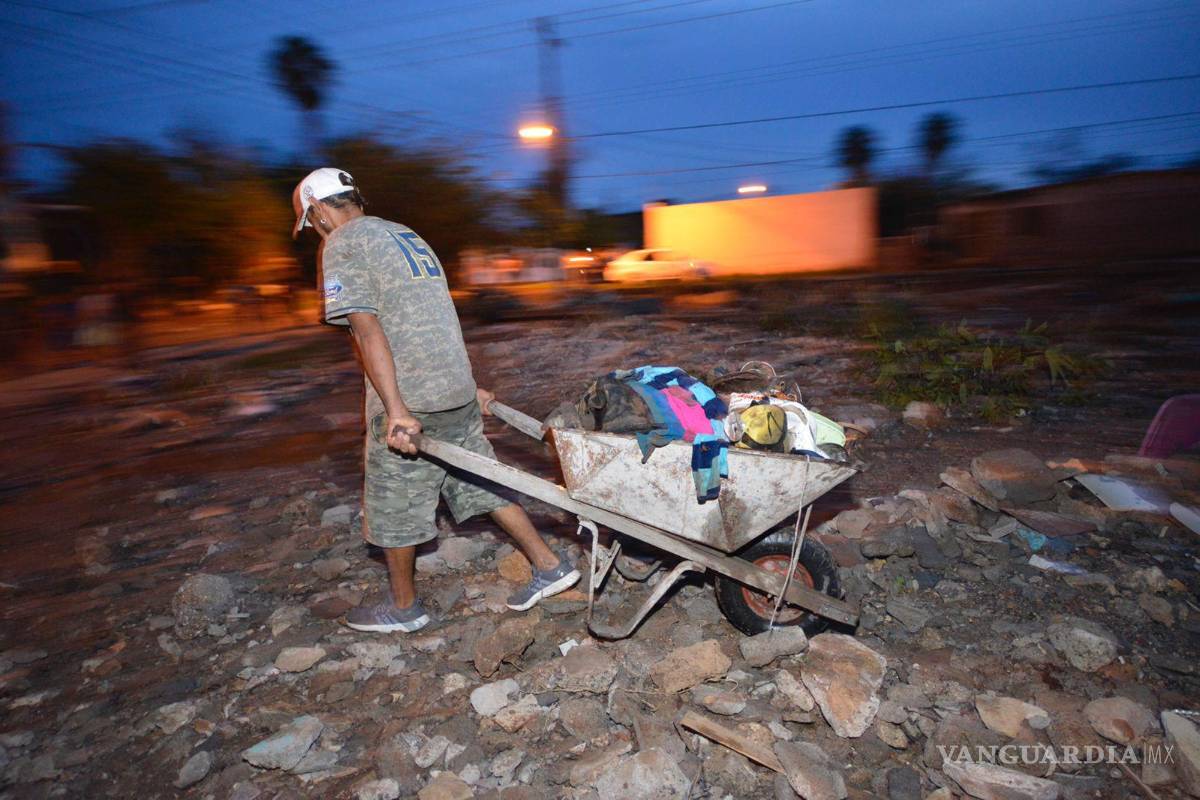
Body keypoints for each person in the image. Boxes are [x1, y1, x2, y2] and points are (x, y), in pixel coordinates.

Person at [292, 167, 579, 633]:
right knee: (480, 479)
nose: (314, 233)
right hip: (453, 392)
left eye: (311, 223)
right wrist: (469, 384)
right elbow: (436, 315)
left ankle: (404, 609)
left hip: (414, 398)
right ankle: (549, 565)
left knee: (392, 501)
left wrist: (397, 411)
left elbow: (367, 332)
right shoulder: (405, 235)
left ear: (320, 210)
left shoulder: (342, 244)